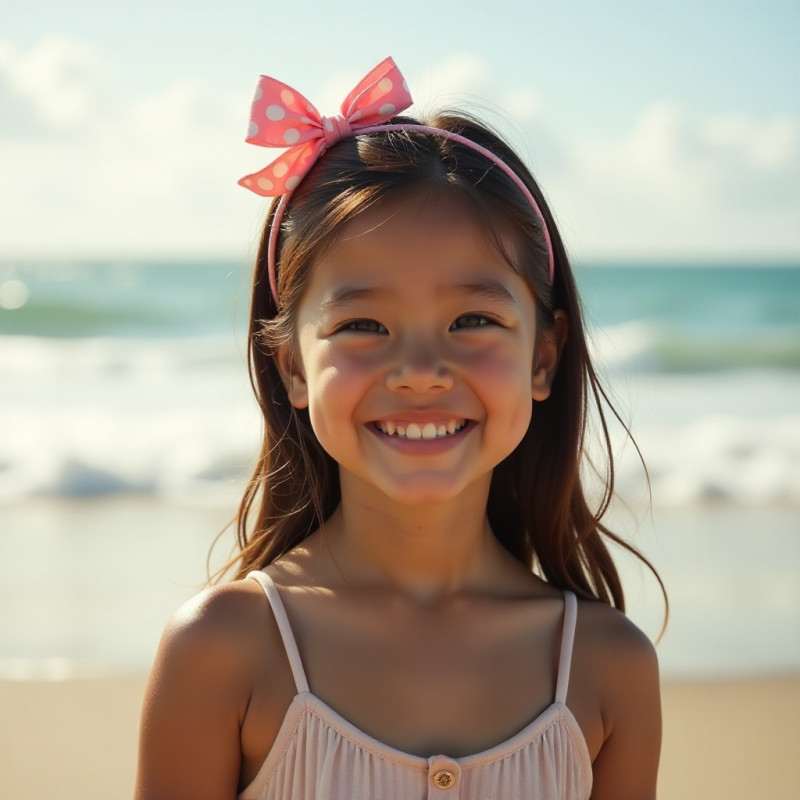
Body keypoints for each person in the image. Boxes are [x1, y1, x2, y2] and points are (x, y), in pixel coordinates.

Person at [135, 57, 663, 800]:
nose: (420, 370)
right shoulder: (225, 648)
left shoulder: (608, 668)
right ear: (292, 367)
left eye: (473, 320)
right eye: (363, 325)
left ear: (543, 357)